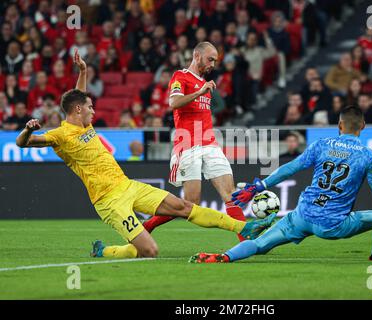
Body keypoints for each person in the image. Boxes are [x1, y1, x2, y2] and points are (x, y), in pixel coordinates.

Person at [15, 49, 276, 260]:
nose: (94, 111)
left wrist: (83, 71)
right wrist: (28, 130)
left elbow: (79, 96)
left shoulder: (86, 123)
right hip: (108, 201)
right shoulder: (60, 135)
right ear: (78, 110)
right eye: (90, 107)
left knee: (184, 206)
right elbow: (23, 144)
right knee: (149, 252)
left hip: (127, 185)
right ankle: (105, 251)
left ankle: (244, 227)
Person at [190, 106, 372, 263]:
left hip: (302, 215)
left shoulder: (322, 145)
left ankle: (222, 257)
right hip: (332, 225)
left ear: (339, 125)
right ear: (362, 127)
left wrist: (259, 186)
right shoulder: (368, 156)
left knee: (260, 245)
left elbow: (290, 168)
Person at [143, 42, 248, 242]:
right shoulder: (180, 77)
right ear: (197, 56)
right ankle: (147, 225)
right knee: (191, 204)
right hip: (187, 144)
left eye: (216, 61)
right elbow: (173, 103)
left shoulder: (206, 84)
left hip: (210, 144)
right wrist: (200, 92)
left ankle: (247, 241)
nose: (213, 64)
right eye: (210, 59)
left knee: (230, 194)